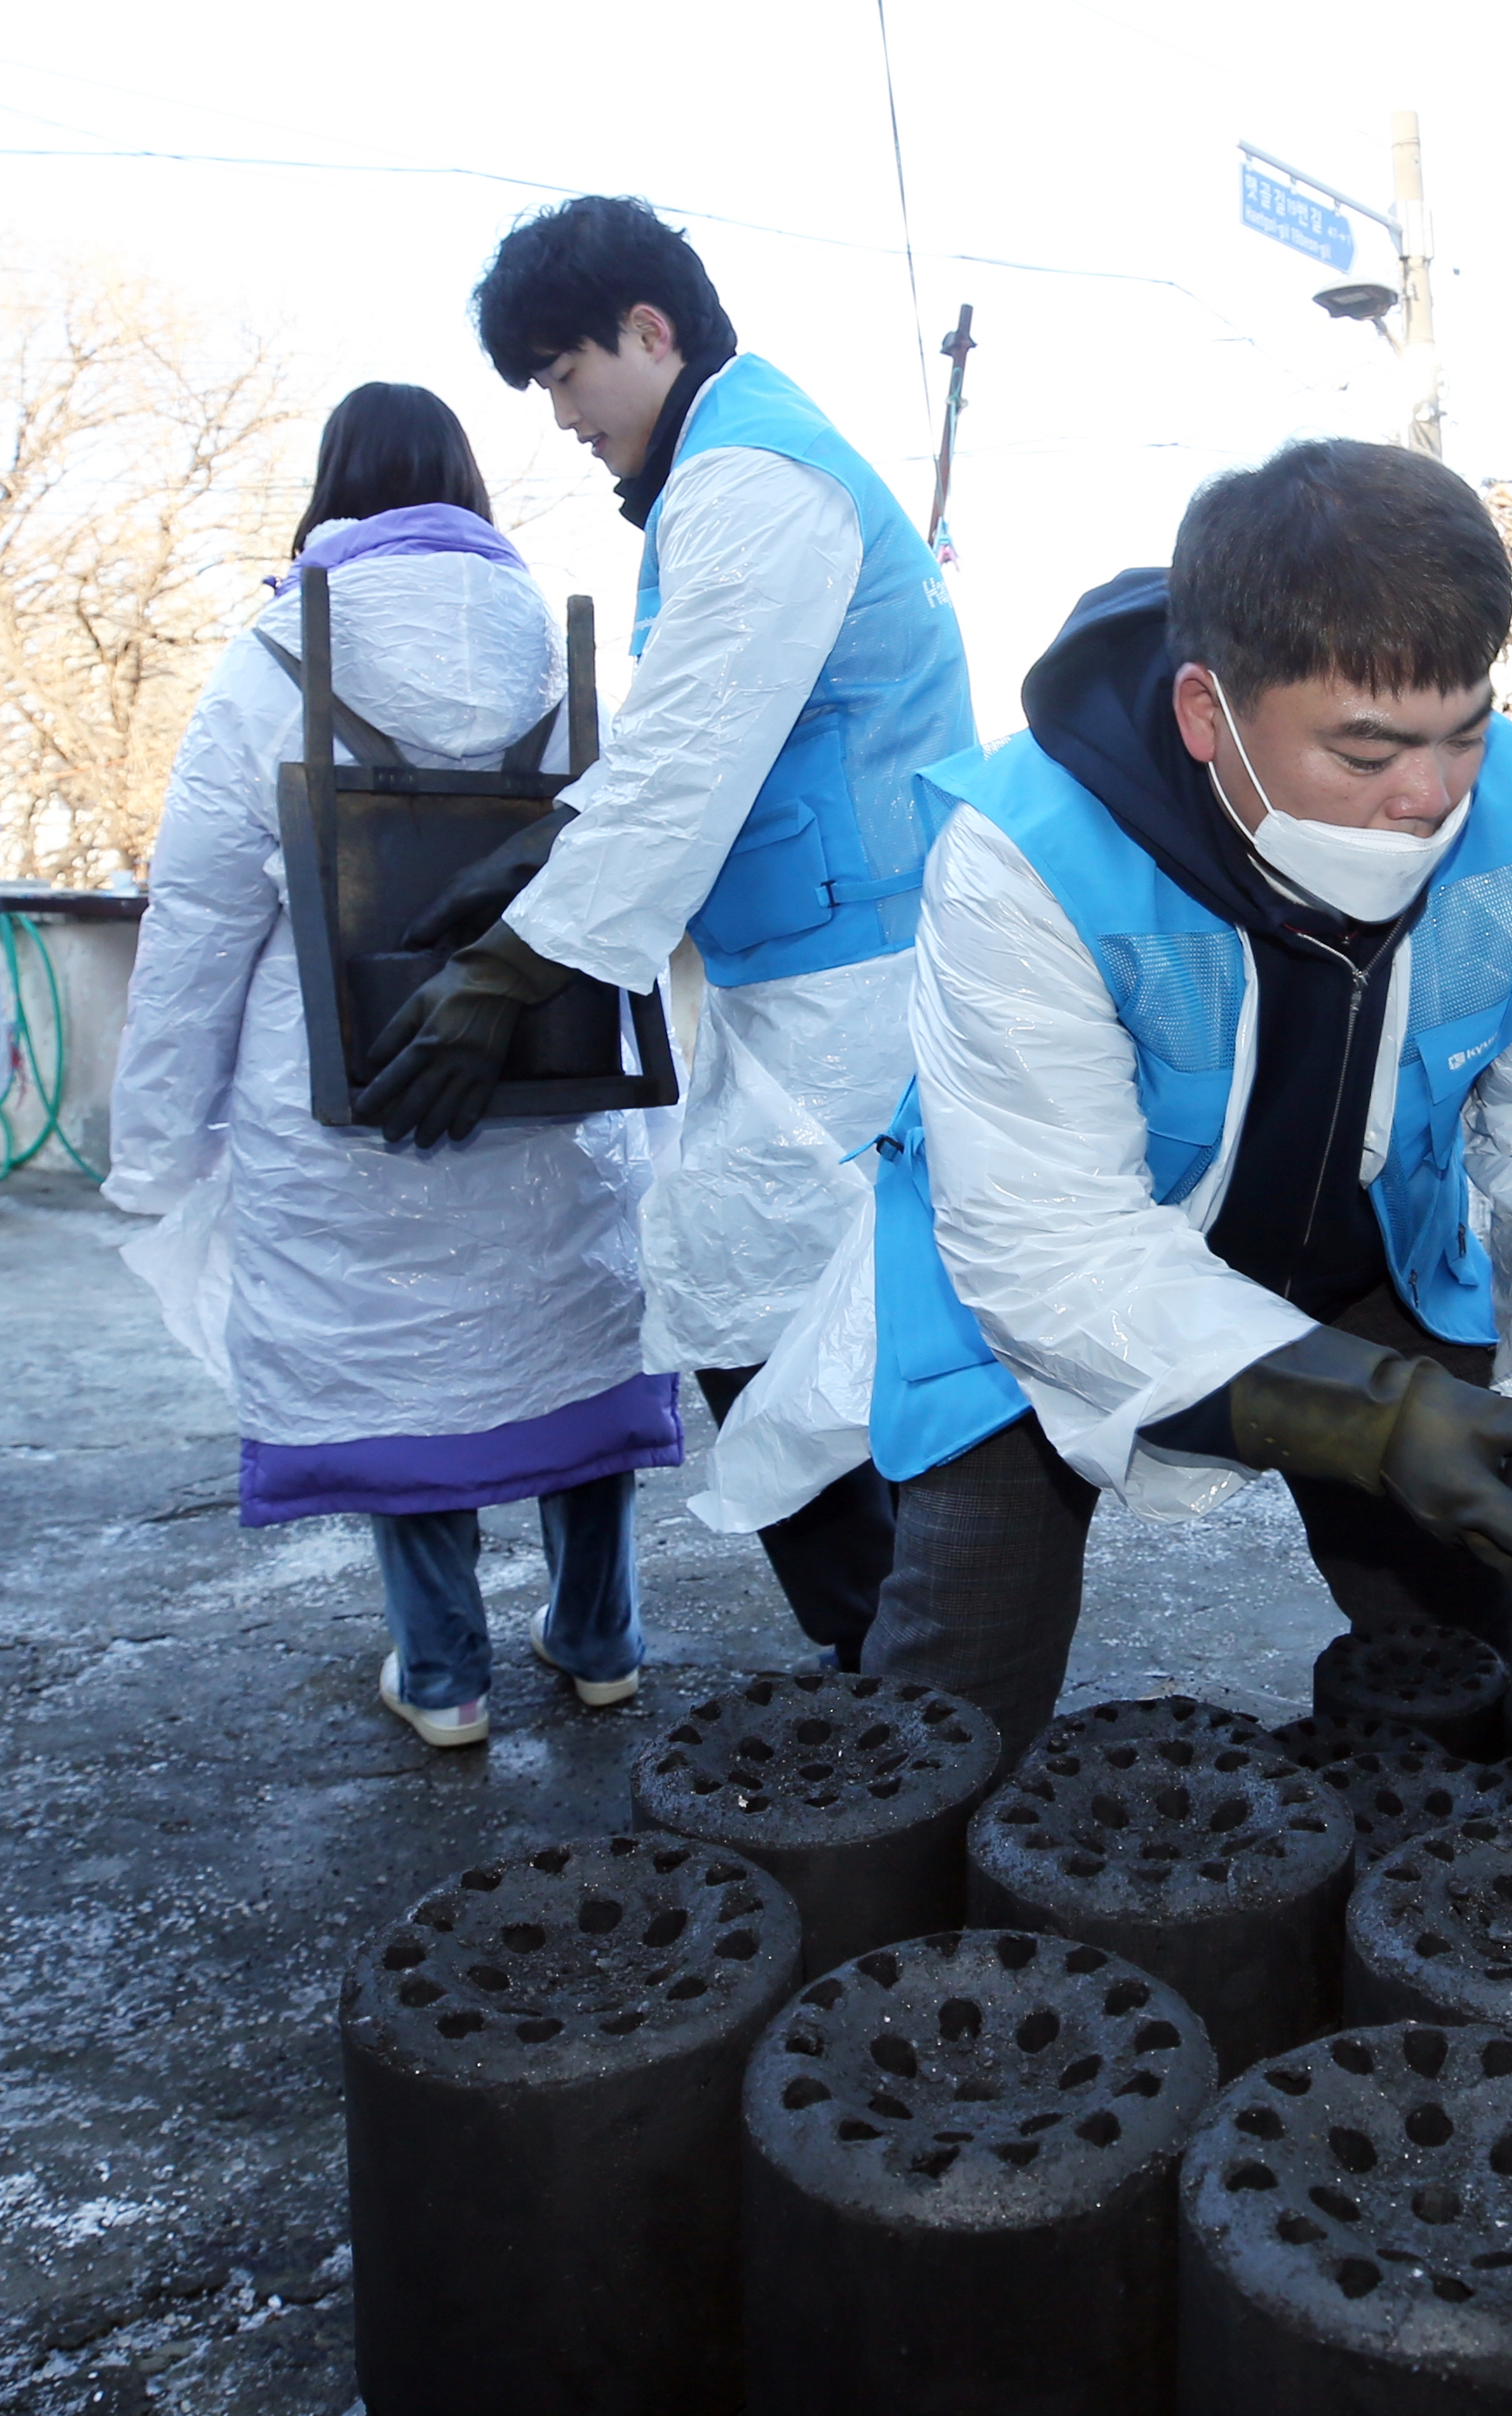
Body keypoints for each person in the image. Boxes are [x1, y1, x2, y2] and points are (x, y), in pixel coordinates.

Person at [705, 440, 1512, 1758]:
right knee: (960, 1667)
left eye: (1459, 733)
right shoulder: (1030, 852)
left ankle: (1438, 1911)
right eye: (1362, 752)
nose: (1425, 799)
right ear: (1207, 715)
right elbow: (1054, 1242)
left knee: (1457, 1643)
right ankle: (915, 1922)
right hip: (1030, 1274)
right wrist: (1376, 1416)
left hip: (1360, 1246)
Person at [374, 194, 976, 1675]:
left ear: (651, 332)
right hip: (821, 964)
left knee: (767, 1300)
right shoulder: (732, 461)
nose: (558, 412)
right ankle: (914, 1660)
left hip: (857, 970)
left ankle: (915, 1670)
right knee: (803, 1307)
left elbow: (695, 750)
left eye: (562, 370)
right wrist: (538, 859)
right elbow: (697, 737)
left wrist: (506, 972)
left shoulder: (749, 477)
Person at [108, 382, 674, 1749]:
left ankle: (443, 1676)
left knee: (398, 1362)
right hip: (548, 1072)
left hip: (344, 1095)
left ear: (332, 491)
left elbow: (198, 921)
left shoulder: (273, 658)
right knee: (568, 1343)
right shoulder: (569, 656)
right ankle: (599, 1640)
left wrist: (155, 1148)